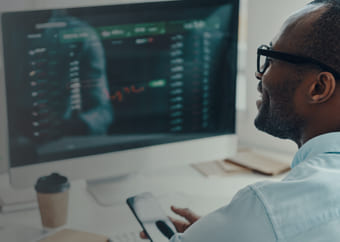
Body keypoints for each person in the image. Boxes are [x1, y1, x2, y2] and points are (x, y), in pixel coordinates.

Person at [139, 0, 340, 241]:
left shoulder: (269, 210)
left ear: (318, 87)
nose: (260, 73)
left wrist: (246, 227)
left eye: (271, 59)